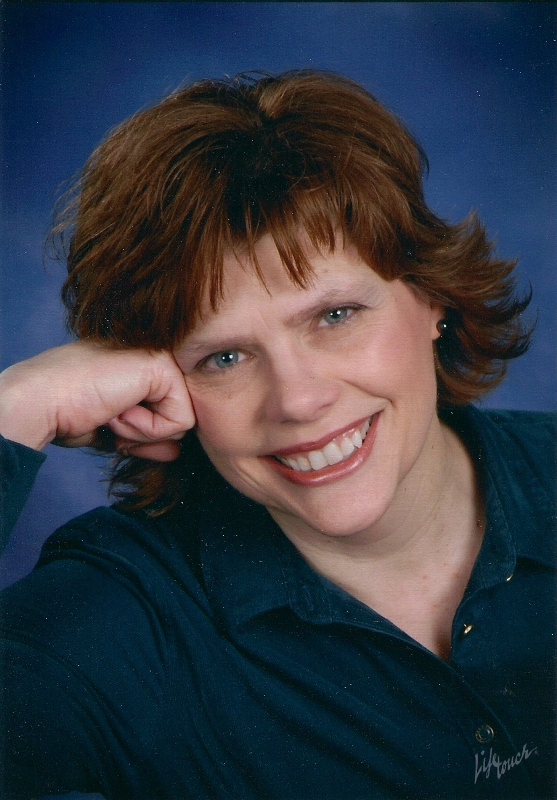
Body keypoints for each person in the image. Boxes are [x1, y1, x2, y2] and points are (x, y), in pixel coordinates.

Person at [0, 70, 554, 800]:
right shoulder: (124, 613)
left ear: (432, 299)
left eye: (335, 316)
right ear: (156, 383)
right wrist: (15, 408)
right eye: (224, 357)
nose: (298, 400)